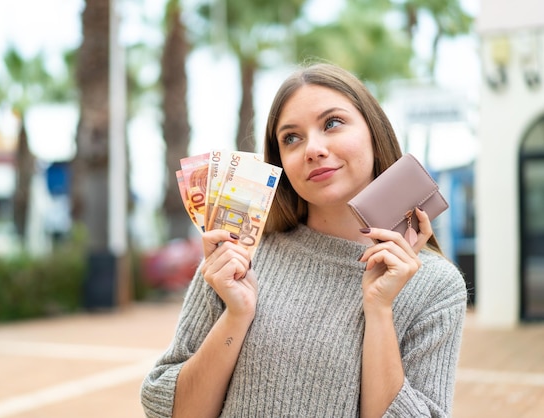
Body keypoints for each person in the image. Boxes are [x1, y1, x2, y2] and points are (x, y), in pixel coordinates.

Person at [140, 63, 467, 417]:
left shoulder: (435, 286)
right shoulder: (237, 258)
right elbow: (174, 411)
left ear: (375, 132)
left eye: (332, 123)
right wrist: (236, 315)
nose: (313, 148)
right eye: (291, 138)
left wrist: (379, 310)